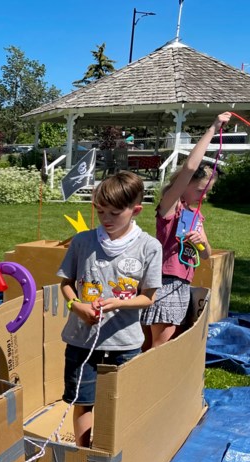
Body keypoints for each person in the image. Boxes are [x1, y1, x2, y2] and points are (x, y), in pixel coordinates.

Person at [58, 171, 162, 447]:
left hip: (124, 344)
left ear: (135, 210)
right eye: (100, 211)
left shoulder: (149, 247)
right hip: (82, 342)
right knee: (83, 402)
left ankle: (117, 453)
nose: (106, 219)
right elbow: (66, 284)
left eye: (115, 213)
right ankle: (84, 454)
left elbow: (148, 297)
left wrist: (119, 303)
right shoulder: (82, 242)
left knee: (121, 406)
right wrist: (76, 306)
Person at [141, 112, 232, 350]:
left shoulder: (195, 214)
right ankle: (147, 381)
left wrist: (202, 241)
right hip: (166, 281)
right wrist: (213, 128)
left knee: (167, 339)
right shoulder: (171, 206)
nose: (204, 196)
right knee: (162, 341)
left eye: (208, 192)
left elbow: (205, 255)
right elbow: (191, 166)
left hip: (183, 282)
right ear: (186, 183)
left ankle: (151, 380)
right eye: (201, 189)